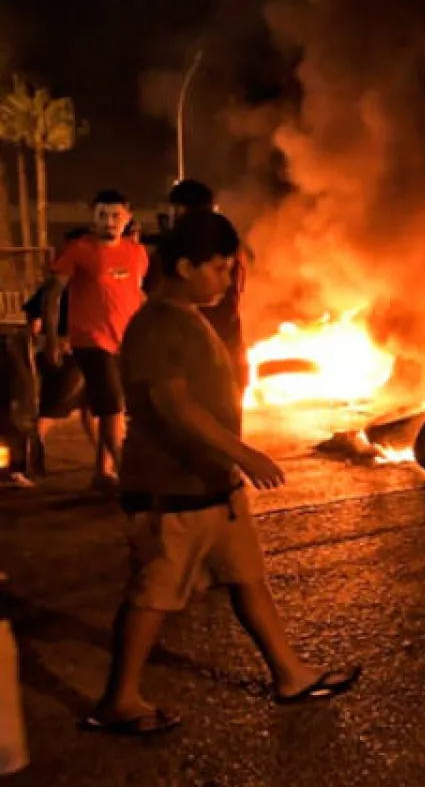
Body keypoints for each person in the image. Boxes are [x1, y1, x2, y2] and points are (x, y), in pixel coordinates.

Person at [87, 211, 359, 736]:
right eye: (218, 268)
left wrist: (230, 464)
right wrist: (244, 453)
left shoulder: (189, 316)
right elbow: (175, 406)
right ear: (184, 266)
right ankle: (119, 701)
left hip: (214, 485)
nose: (226, 279)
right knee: (153, 594)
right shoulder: (157, 324)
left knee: (247, 577)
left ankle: (290, 675)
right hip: (171, 489)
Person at [43, 190, 149, 491]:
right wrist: (52, 338)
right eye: (102, 215)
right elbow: (53, 295)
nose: (109, 221)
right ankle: (130, 478)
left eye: (115, 215)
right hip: (91, 340)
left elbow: (135, 292)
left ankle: (103, 471)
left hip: (125, 340)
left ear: (127, 217)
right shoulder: (79, 250)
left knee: (109, 409)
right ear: (93, 218)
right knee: (112, 408)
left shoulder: (136, 252)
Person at [159, 179, 252, 397]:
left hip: (200, 335)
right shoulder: (230, 242)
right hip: (226, 331)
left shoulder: (188, 247)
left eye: (176, 210)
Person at [23, 269, 98, 476]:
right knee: (52, 412)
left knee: (91, 411)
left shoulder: (54, 286)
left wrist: (41, 340)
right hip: (73, 355)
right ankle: (28, 462)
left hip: (66, 353)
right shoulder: (82, 287)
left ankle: (107, 463)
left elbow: (33, 319)